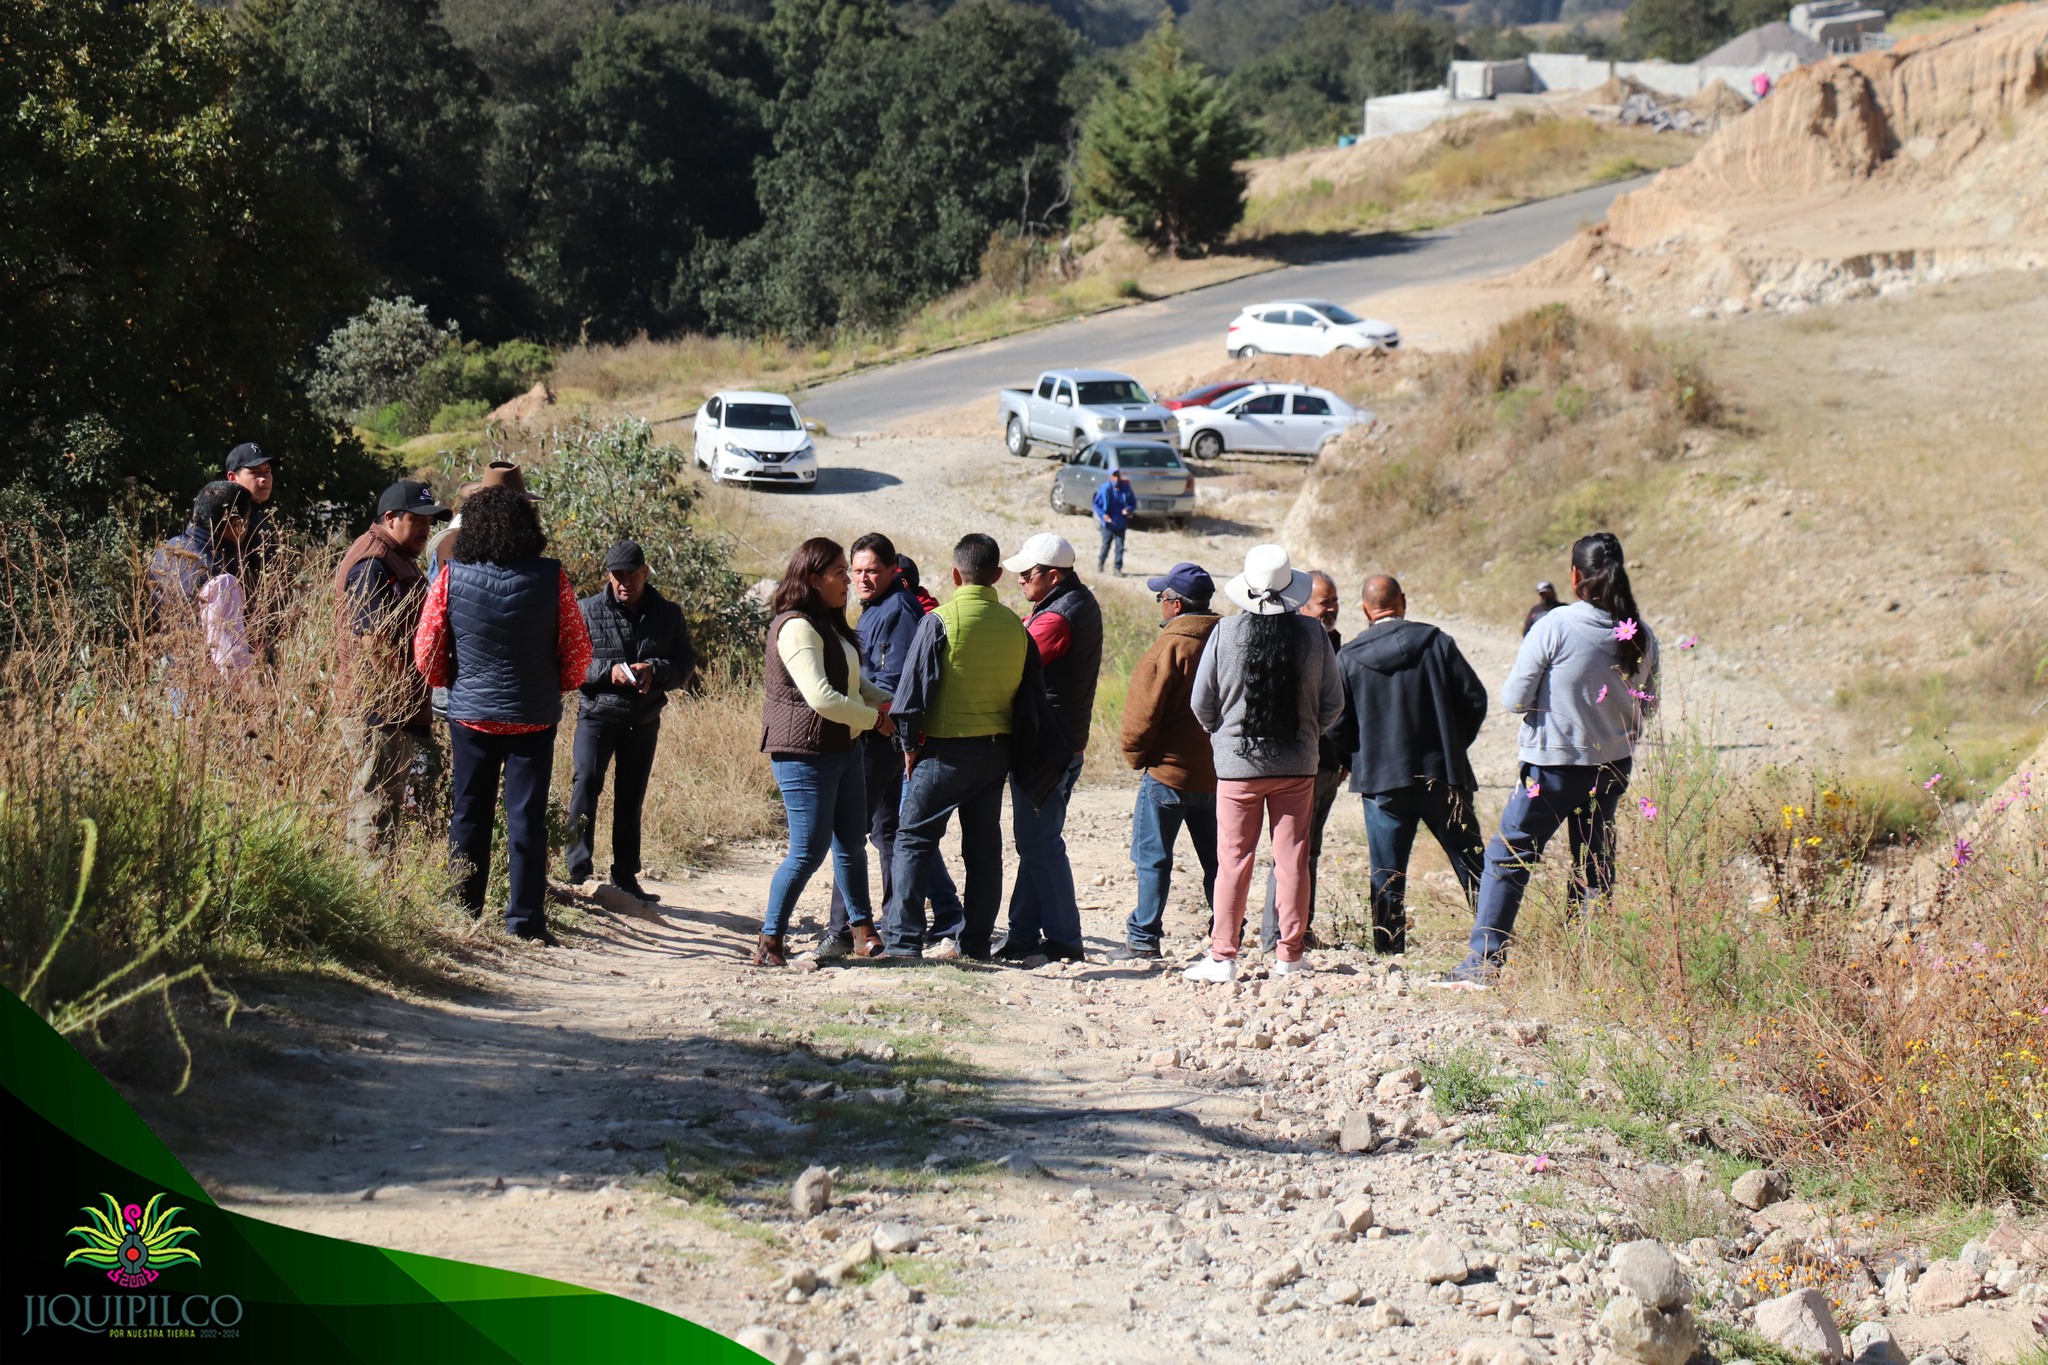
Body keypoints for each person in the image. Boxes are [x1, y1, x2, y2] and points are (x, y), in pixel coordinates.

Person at [1444, 532, 1660, 987]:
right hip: (1613, 768)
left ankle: (1483, 965)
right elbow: (1648, 705)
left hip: (1553, 767)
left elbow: (1513, 699)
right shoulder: (1642, 634)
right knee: (1594, 864)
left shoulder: (1556, 625)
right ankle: (1587, 970)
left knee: (1507, 858)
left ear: (1575, 576)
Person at [414, 485, 592, 945]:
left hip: (469, 715)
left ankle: (462, 909)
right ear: (527, 527)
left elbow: (426, 649)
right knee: (527, 817)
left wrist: (453, 682)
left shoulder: (452, 577)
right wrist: (556, 686)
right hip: (532, 716)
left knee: (468, 813)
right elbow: (578, 650)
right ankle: (525, 921)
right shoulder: (553, 578)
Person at [1184, 545, 1343, 984]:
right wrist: (1309, 732)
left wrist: (1223, 735)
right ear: (1292, 589)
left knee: (1233, 860)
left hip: (1237, 768)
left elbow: (1202, 703)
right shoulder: (1315, 635)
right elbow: (1334, 703)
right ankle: (1289, 955)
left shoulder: (1225, 632)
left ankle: (1223, 956)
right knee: (1292, 860)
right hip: (1298, 766)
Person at [883, 534, 1031, 960]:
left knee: (913, 841)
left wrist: (909, 748)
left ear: (954, 574)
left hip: (944, 752)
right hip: (994, 753)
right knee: (984, 851)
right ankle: (976, 944)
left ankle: (902, 944)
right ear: (998, 576)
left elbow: (910, 698)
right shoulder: (1016, 627)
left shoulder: (941, 622)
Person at [819, 533, 966, 958]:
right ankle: (893, 924)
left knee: (851, 833)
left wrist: (865, 714)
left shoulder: (897, 610)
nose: (863, 579)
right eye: (857, 571)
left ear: (891, 572)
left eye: (872, 571)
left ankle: (844, 930)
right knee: (887, 834)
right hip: (880, 732)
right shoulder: (879, 607)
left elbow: (895, 683)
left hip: (878, 735)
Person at [1331, 574, 1488, 956]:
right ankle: (1494, 940)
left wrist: (1358, 759)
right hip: (1443, 775)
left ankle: (1389, 954)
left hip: (1382, 782)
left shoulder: (1348, 657)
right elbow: (1475, 699)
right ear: (1403, 600)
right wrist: (1451, 745)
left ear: (1366, 609)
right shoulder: (1437, 642)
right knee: (1473, 864)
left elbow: (1334, 722)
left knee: (1386, 874)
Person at [757, 537, 892, 967]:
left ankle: (862, 931)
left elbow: (853, 686)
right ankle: (770, 940)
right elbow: (822, 697)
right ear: (813, 579)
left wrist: (889, 701)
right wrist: (876, 720)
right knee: (808, 852)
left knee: (851, 843)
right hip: (804, 754)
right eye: (840, 572)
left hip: (843, 748)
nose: (849, 581)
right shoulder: (796, 626)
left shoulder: (830, 624)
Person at [567, 540, 697, 899]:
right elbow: (572, 663)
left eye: (631, 574)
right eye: (616, 575)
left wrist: (655, 670)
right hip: (597, 715)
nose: (624, 582)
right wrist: (610, 673)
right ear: (608, 575)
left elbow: (685, 664)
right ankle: (578, 873)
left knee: (630, 797)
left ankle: (625, 877)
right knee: (586, 783)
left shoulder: (668, 613)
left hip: (643, 720)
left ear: (645, 572)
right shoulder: (587, 610)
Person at [999, 532, 1101, 963]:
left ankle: (1063, 938)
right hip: (1062, 742)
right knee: (1037, 841)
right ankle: (1022, 934)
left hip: (1047, 746)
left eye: (1027, 573)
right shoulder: (1076, 602)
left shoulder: (1057, 618)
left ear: (1052, 575)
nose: (1020, 579)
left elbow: (1012, 665)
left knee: (1039, 843)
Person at [334, 480, 450, 855]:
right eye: (417, 520)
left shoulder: (394, 557)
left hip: (394, 710)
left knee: (387, 804)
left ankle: (377, 890)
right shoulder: (372, 563)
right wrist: (403, 697)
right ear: (390, 518)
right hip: (378, 710)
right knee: (376, 807)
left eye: (429, 522)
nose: (426, 529)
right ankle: (369, 896)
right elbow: (372, 643)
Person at [1113, 562, 1221, 962]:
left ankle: (1143, 937)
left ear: (1175, 605)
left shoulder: (1168, 648)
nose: (1161, 605)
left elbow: (1141, 718)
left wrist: (1137, 757)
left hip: (1168, 775)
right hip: (1218, 777)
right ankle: (1227, 931)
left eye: (1162, 598)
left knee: (1153, 859)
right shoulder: (1226, 641)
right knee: (1219, 861)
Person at [1259, 569, 1345, 953]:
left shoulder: (1334, 642)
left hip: (1326, 766)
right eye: (1325, 601)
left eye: (1335, 600)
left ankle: (1298, 930)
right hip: (1297, 764)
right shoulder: (1294, 643)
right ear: (1302, 605)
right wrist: (1315, 738)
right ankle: (1276, 935)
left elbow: (1341, 707)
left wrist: (1343, 756)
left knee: (1307, 850)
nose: (1332, 609)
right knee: (1290, 851)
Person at [148, 480, 258, 675]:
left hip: (172, 676)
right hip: (207, 687)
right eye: (247, 520)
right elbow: (229, 658)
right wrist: (255, 699)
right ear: (237, 524)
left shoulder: (166, 551)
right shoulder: (220, 576)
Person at [1093, 468, 1138, 576]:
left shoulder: (1125, 488)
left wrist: (1128, 509)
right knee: (1106, 545)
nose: (1116, 478)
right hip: (1108, 524)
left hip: (1121, 523)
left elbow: (1133, 502)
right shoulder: (1105, 489)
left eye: (1118, 476)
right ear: (1110, 477)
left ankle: (1117, 569)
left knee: (1120, 547)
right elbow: (1096, 505)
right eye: (1114, 476)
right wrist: (1103, 515)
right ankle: (1101, 563)